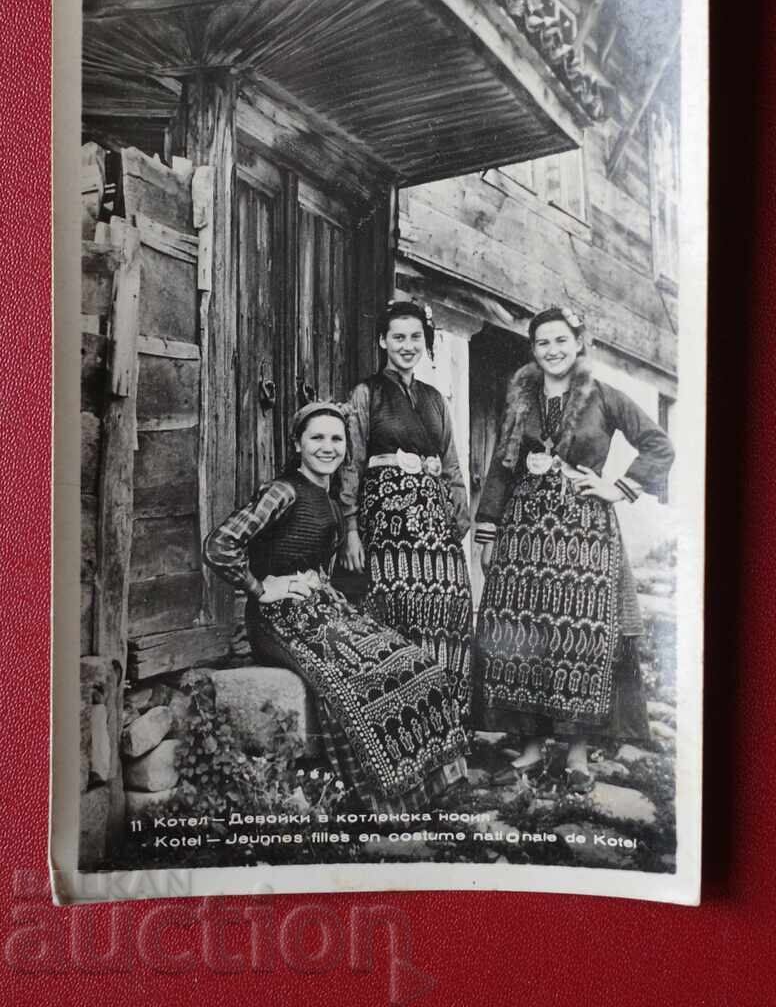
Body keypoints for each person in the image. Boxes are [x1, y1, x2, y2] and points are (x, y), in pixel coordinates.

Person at [203, 402, 468, 813]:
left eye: (336, 439)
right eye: (316, 438)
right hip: (280, 620)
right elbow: (221, 545)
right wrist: (259, 588)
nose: (327, 447)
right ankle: (384, 804)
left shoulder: (328, 500)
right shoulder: (283, 491)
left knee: (414, 662)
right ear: (297, 444)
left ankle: (430, 788)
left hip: (320, 609)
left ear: (347, 447)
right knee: (356, 679)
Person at [473, 306, 675, 792]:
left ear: (578, 343)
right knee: (524, 637)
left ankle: (579, 755)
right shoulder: (521, 397)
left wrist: (619, 487)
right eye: (543, 343)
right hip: (524, 537)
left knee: (580, 639)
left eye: (561, 340)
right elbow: (502, 464)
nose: (552, 350)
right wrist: (488, 528)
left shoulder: (604, 396)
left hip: (583, 537)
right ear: (534, 349)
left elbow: (658, 445)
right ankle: (531, 749)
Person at [339, 300, 474, 722]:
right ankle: (406, 723)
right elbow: (351, 461)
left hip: (437, 527)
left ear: (425, 342)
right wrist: (350, 528)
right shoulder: (367, 393)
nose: (407, 345)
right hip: (388, 524)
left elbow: (451, 462)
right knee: (399, 614)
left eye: (416, 337)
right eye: (398, 336)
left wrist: (459, 513)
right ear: (383, 341)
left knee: (448, 611)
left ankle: (449, 724)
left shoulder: (435, 399)